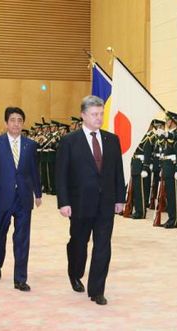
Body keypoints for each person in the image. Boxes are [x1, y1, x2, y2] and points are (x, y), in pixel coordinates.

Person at [55, 95, 125, 305]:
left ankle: (97, 290)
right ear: (83, 115)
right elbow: (61, 174)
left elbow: (118, 172)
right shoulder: (69, 141)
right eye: (94, 114)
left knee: (103, 245)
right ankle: (75, 272)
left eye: (101, 114)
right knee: (79, 243)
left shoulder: (112, 140)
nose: (99, 118)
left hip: (105, 203)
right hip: (79, 203)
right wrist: (64, 202)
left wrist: (120, 198)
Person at [0, 107, 42, 292]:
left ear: (23, 123)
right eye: (13, 120)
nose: (16, 124)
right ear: (6, 123)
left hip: (23, 197)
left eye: (19, 120)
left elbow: (34, 170)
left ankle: (20, 278)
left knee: (23, 238)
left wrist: (38, 193)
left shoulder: (30, 144)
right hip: (2, 197)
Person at [155, 112, 177, 229]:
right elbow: (164, 152)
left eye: (168, 120)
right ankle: (170, 217)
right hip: (167, 166)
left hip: (173, 167)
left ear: (173, 121)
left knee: (174, 195)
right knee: (168, 195)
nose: (166, 122)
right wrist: (162, 166)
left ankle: (174, 219)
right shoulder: (167, 135)